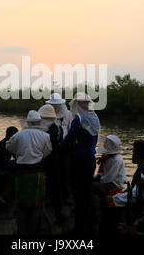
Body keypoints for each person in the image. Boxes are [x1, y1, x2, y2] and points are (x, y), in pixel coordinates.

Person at [60, 92, 100, 236]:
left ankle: (79, 228)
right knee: (87, 193)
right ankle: (90, 225)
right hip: (90, 160)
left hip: (78, 161)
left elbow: (69, 141)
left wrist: (59, 148)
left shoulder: (79, 120)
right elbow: (94, 140)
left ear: (78, 104)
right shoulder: (94, 118)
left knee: (78, 195)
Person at [6, 110, 52, 235]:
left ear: (28, 121)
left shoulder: (19, 135)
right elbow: (48, 151)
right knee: (36, 205)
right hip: (37, 173)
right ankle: (33, 231)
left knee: (21, 205)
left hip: (21, 173)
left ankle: (21, 232)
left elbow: (8, 146)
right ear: (39, 121)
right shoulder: (45, 135)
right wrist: (38, 156)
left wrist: (19, 152)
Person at [109, 140, 144, 224]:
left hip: (138, 208)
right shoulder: (142, 168)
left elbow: (135, 194)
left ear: (138, 156)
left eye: (133, 153)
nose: (132, 155)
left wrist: (114, 198)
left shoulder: (143, 172)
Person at [38, 104, 65, 223]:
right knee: (55, 186)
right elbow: (59, 142)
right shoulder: (58, 128)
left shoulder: (38, 129)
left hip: (41, 161)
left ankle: (41, 212)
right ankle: (58, 213)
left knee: (42, 185)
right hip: (55, 160)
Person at [46, 93, 73, 204]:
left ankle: (66, 197)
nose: (55, 106)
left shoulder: (68, 114)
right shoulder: (47, 114)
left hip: (65, 147)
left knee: (65, 172)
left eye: (56, 104)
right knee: (51, 172)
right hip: (52, 147)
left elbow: (71, 131)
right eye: (53, 104)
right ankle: (50, 197)